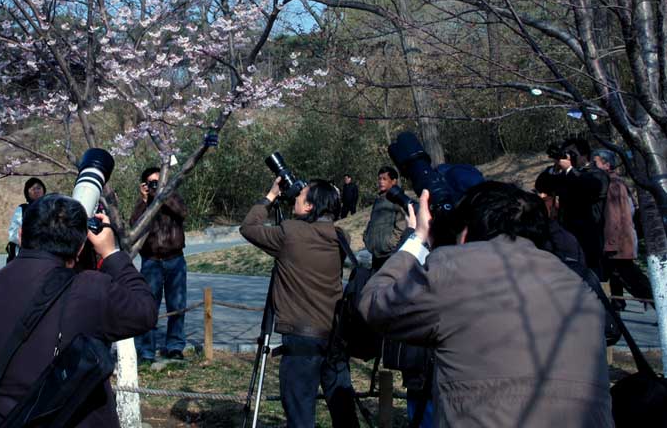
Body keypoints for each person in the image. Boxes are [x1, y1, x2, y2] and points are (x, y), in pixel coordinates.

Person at [359, 181, 613, 427]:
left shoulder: (454, 269)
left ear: (466, 233)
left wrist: (419, 237)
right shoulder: (577, 284)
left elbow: (375, 304)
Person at [0, 194, 157, 426]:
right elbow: (145, 310)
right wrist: (111, 254)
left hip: (6, 420)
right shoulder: (89, 289)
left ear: (20, 235)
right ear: (80, 247)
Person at [240, 178, 357, 428]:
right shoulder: (340, 236)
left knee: (301, 417)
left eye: (301, 195)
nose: (295, 197)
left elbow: (249, 227)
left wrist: (271, 195)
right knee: (344, 415)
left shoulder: (290, 233)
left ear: (309, 207)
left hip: (302, 341)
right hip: (335, 339)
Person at [130, 167, 188, 362]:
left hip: (175, 259)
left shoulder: (173, 197)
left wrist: (163, 195)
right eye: (151, 182)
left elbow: (182, 213)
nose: (155, 185)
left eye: (158, 181)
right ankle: (146, 350)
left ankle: (175, 346)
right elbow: (134, 226)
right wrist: (145, 201)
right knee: (149, 307)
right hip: (151, 261)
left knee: (177, 305)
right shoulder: (144, 203)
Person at [591, 148, 653, 309]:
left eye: (595, 162)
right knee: (618, 275)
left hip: (619, 241)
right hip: (619, 240)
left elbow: (615, 216)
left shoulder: (613, 184)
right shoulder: (614, 182)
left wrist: (610, 243)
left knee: (631, 278)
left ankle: (657, 303)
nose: (592, 165)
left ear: (606, 165)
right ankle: (617, 306)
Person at [545, 137, 609, 277]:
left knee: (593, 279)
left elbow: (588, 186)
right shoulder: (566, 175)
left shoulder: (597, 174)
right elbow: (542, 186)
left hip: (589, 237)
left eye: (572, 153)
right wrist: (554, 168)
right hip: (567, 235)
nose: (569, 157)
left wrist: (569, 169)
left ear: (584, 155)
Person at [362, 166, 407, 270]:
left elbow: (401, 225)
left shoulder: (398, 199)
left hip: (389, 254)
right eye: (379, 179)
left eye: (384, 179)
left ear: (394, 181)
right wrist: (367, 237)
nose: (381, 182)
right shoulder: (379, 199)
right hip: (376, 253)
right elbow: (372, 221)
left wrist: (390, 243)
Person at [6, 177, 46, 263]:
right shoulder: (22, 209)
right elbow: (13, 234)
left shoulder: (51, 208)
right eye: (33, 189)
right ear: (27, 192)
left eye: (39, 188)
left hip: (46, 254)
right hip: (25, 254)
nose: (36, 191)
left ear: (43, 190)